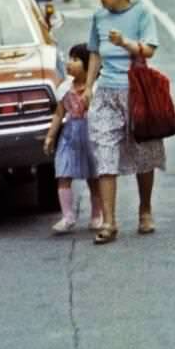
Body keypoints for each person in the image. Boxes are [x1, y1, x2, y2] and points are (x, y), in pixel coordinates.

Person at [83, 0, 164, 244]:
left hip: (136, 92)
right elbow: (94, 53)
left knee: (143, 152)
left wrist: (126, 43)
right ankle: (109, 220)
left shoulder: (142, 13)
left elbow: (149, 50)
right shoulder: (99, 17)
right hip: (107, 93)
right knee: (104, 151)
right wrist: (88, 87)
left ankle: (145, 209)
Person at [42, 43, 104, 234]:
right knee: (63, 173)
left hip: (91, 134)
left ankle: (97, 214)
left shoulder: (96, 88)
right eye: (70, 58)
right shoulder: (64, 88)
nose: (70, 63)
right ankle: (68, 216)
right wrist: (50, 136)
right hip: (70, 135)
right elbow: (59, 114)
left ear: (88, 65)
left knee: (93, 176)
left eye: (76, 60)